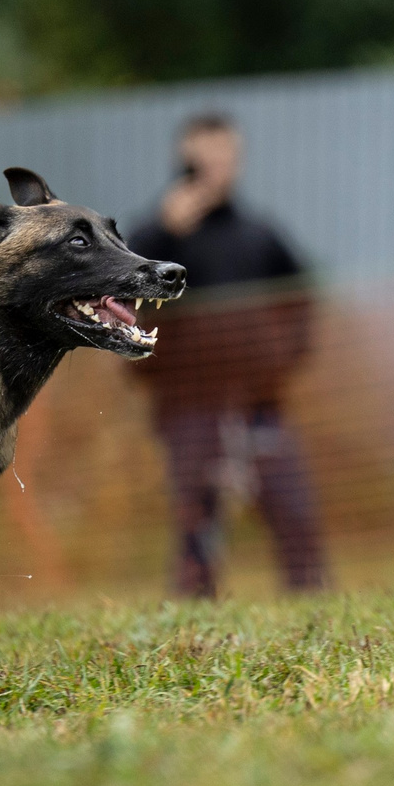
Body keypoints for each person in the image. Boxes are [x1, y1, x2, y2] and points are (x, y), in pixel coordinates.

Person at [126, 112, 329, 597]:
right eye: (208, 159)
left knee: (294, 509)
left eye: (228, 157)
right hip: (188, 407)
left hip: (261, 404)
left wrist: (283, 360)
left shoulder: (260, 234)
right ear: (186, 161)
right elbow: (122, 302)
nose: (220, 168)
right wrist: (163, 234)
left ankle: (314, 609)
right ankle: (195, 627)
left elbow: (302, 297)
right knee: (198, 521)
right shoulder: (151, 240)